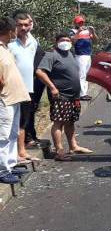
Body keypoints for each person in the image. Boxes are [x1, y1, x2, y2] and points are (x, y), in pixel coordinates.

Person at [36, 33, 93, 161]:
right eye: (62, 40)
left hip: (73, 96)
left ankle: (73, 146)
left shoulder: (70, 54)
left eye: (68, 40)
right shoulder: (51, 55)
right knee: (59, 122)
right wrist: (52, 87)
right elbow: (40, 72)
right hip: (60, 95)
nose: (65, 42)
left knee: (70, 121)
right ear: (56, 42)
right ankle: (59, 151)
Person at [0, 17, 31, 184]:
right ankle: (2, 170)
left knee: (12, 134)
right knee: (3, 136)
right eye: (15, 29)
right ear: (10, 31)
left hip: (14, 98)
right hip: (4, 99)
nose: (17, 31)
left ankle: (10, 164)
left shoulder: (5, 48)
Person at [8, 10, 40, 164]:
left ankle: (21, 151)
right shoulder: (9, 43)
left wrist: (30, 22)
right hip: (11, 89)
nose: (23, 28)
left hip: (27, 89)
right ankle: (12, 155)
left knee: (22, 122)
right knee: (10, 123)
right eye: (19, 25)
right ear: (14, 26)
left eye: (26, 25)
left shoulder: (32, 42)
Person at [70, 15, 97, 101]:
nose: (81, 24)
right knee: (81, 75)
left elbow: (95, 40)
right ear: (75, 23)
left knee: (85, 75)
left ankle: (84, 93)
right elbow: (72, 42)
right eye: (79, 23)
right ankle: (81, 94)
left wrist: (93, 32)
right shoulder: (73, 31)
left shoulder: (87, 31)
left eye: (82, 22)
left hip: (88, 54)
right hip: (80, 55)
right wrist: (78, 32)